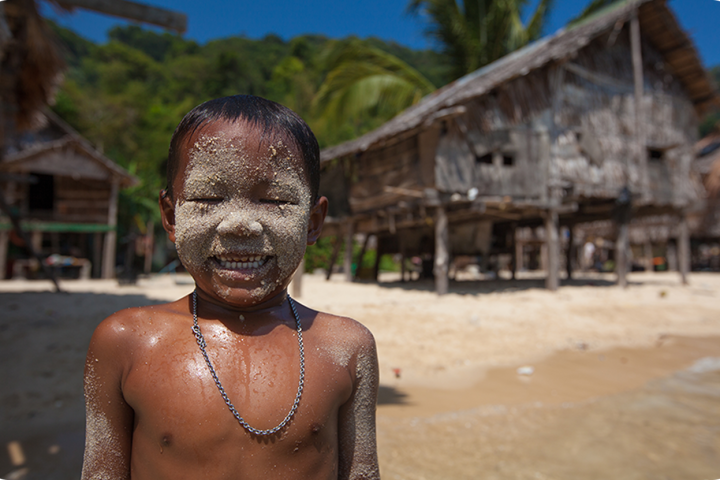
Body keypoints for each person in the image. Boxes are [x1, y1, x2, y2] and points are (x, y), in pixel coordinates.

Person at [81, 95, 380, 480]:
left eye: (275, 200)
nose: (240, 224)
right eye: (207, 197)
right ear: (171, 217)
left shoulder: (346, 347)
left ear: (313, 221)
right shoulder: (125, 342)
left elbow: (362, 474)